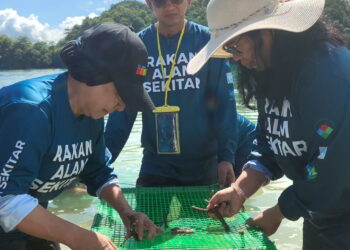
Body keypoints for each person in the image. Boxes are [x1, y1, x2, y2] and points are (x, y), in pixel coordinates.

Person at [187, 0, 350, 249]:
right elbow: (269, 142)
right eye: (230, 51)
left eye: (235, 46)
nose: (237, 59)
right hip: (318, 214)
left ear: (266, 31)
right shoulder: (272, 72)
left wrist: (278, 212)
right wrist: (239, 190)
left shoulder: (330, 72)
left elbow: (333, 164)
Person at [0, 22, 163, 250]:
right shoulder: (31, 110)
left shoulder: (91, 115)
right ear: (91, 74)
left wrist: (127, 212)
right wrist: (81, 238)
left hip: (30, 216)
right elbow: (7, 201)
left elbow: (99, 171)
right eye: (120, 93)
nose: (120, 106)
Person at [105, 0, 239, 190]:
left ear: (189, 1)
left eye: (176, 0)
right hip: (155, 162)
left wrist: (226, 157)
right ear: (149, 4)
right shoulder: (137, 45)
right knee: (145, 219)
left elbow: (225, 103)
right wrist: (100, 165)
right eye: (160, 2)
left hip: (202, 161)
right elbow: (122, 113)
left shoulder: (208, 41)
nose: (169, 7)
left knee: (202, 220)